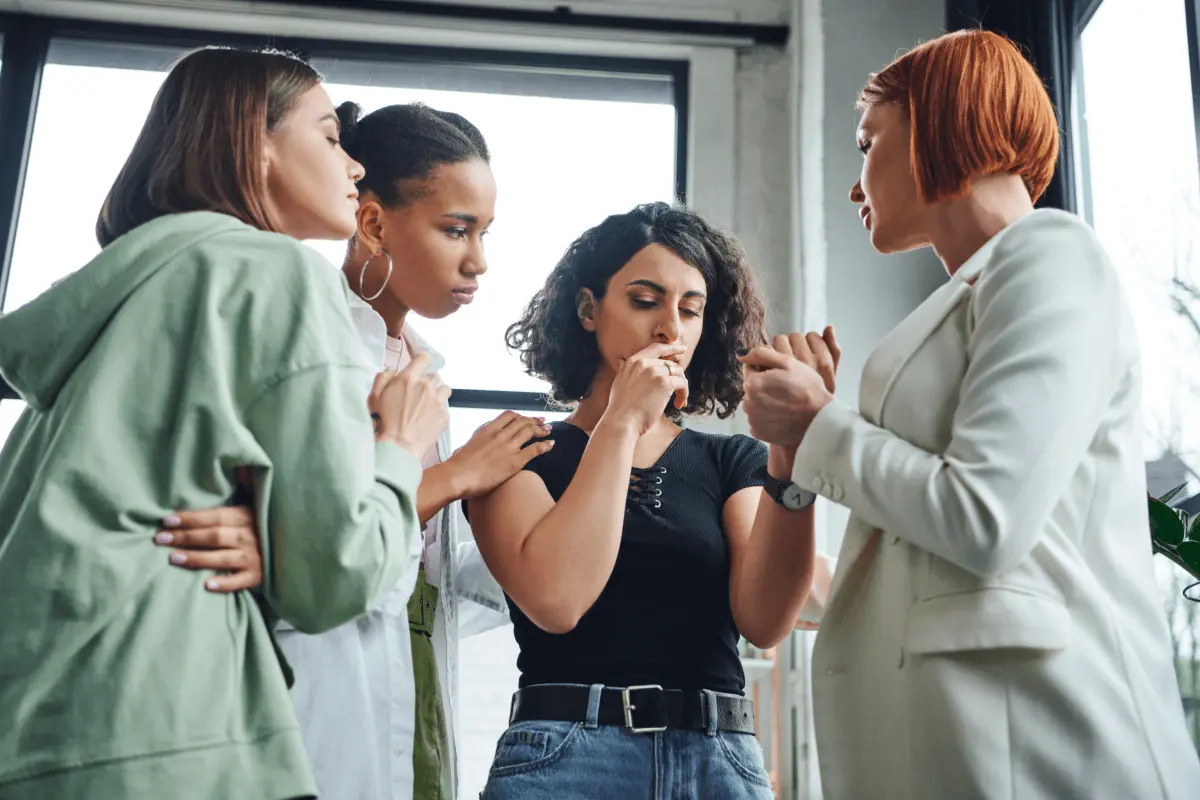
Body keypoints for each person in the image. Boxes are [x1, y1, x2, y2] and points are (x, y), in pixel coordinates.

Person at [741, 29, 1200, 798]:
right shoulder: (967, 298)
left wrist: (816, 425)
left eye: (867, 143)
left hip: (1051, 746)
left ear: (942, 120)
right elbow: (918, 549)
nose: (855, 185)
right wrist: (794, 451)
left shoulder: (1052, 253)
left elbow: (985, 516)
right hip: (969, 744)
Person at [0, 48, 447, 800]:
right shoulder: (278, 272)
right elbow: (333, 577)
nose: (354, 166)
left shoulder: (120, 291)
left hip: (39, 717)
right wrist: (400, 444)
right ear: (254, 142)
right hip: (165, 718)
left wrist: (269, 531)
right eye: (329, 136)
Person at [159, 100, 552, 800]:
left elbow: (432, 573)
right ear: (372, 223)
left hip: (416, 685)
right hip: (309, 685)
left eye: (484, 233)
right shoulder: (304, 342)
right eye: (455, 229)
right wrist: (459, 474)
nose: (478, 262)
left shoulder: (423, 370)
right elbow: (314, 544)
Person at [464, 202, 830, 798]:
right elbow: (558, 599)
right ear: (588, 310)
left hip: (717, 762)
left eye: (690, 310)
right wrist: (621, 421)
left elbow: (765, 621)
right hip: (564, 761)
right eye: (644, 301)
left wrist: (793, 452)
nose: (670, 330)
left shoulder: (732, 460)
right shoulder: (516, 449)